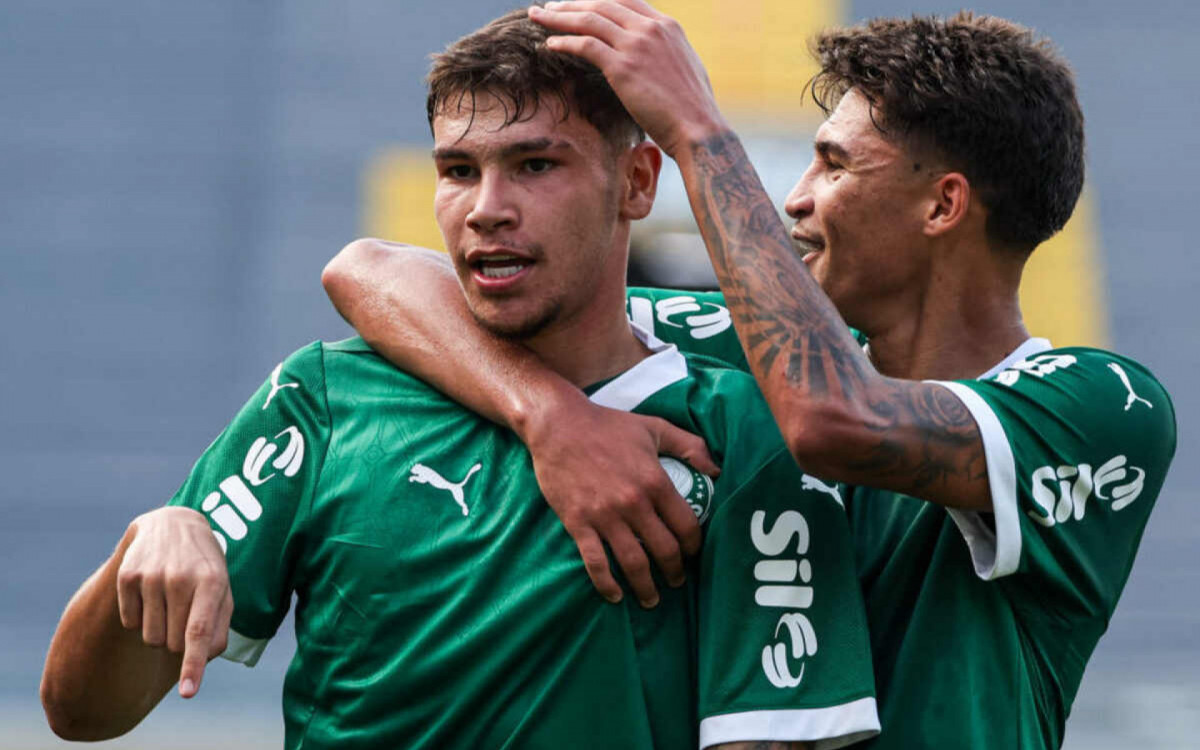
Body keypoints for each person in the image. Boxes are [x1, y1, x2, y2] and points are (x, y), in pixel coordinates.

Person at [323, 2, 1178, 748]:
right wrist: (547, 412)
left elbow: (836, 422)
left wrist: (698, 133)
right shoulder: (753, 346)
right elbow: (369, 273)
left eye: (835, 165)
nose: (796, 199)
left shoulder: (1098, 409)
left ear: (942, 206)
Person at [40, 8, 880, 750]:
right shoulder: (327, 397)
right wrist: (145, 544)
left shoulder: (741, 425)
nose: (486, 208)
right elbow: (82, 714)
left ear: (636, 182)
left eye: (536, 166)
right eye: (458, 170)